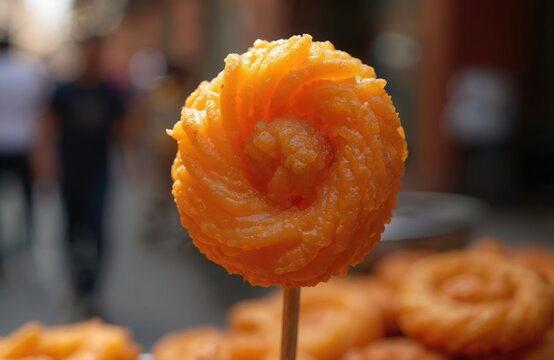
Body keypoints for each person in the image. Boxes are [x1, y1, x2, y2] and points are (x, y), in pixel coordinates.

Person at [41, 36, 126, 315]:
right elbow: (47, 126)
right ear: (80, 55)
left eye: (97, 54)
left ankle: (93, 292)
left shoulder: (110, 93)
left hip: (99, 172)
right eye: (88, 53)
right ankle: (75, 284)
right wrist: (45, 160)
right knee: (71, 230)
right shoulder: (64, 91)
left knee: (98, 231)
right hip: (69, 171)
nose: (92, 59)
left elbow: (122, 130)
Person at [0, 33, 48, 274]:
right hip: (23, 144)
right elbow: (39, 111)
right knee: (28, 200)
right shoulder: (27, 71)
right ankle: (28, 245)